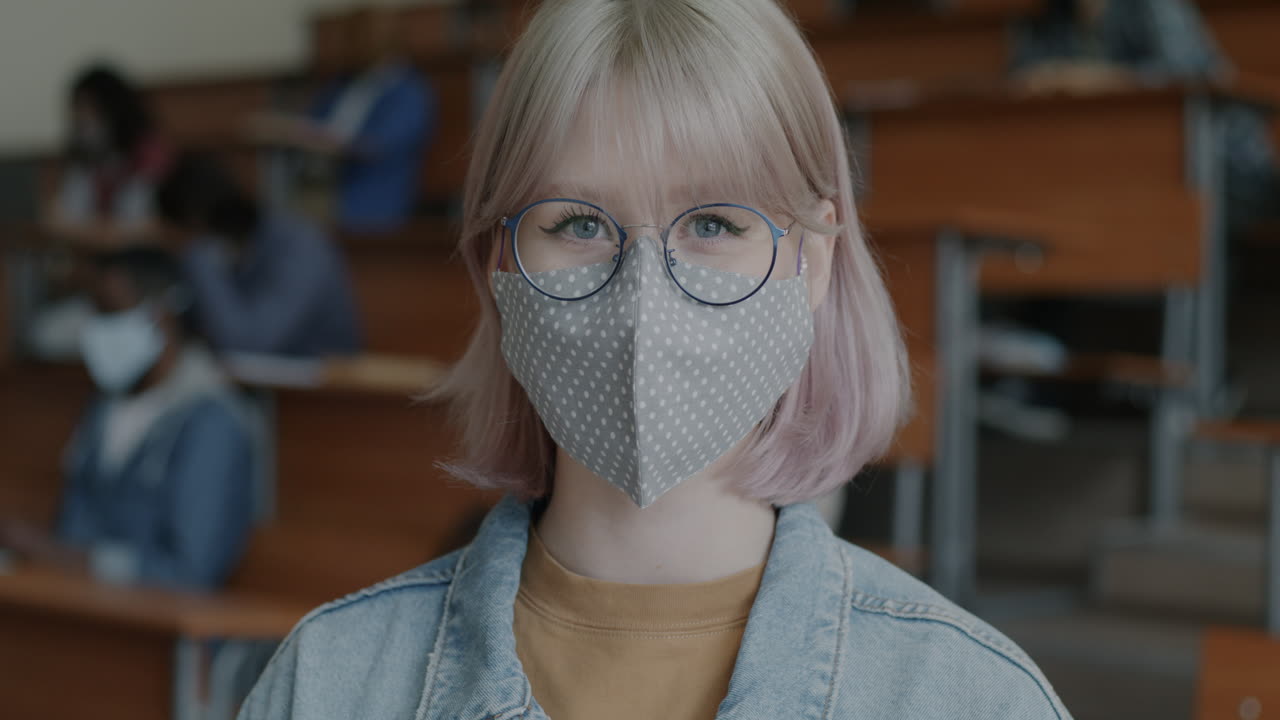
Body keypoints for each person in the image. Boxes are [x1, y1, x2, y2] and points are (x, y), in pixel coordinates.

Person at [239, 1, 1072, 718]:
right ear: (500, 266)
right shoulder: (327, 684)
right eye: (578, 223)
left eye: (714, 224)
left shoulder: (972, 698)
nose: (644, 298)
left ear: (812, 261)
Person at [0, 248, 257, 591]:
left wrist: (62, 556)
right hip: (78, 608)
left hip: (155, 631)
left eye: (109, 311)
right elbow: (73, 527)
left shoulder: (212, 423)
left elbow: (191, 573)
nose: (94, 329)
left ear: (160, 315)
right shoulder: (103, 407)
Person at [157, 151, 363, 357]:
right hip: (256, 382)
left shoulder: (301, 246)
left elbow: (249, 346)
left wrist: (197, 257)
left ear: (195, 221)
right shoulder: (231, 251)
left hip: (324, 384)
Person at [28, 63, 172, 360]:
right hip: (97, 290)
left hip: (149, 290)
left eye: (89, 109)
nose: (82, 120)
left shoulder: (150, 155)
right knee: (45, 334)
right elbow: (59, 220)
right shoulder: (85, 162)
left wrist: (78, 231)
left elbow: (131, 233)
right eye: (77, 110)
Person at [247, 6, 434, 232]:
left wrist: (302, 135)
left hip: (367, 197)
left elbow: (373, 146)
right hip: (317, 185)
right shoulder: (342, 84)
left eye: (363, 35)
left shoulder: (409, 92)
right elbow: (311, 121)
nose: (354, 43)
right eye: (351, 35)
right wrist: (280, 127)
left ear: (390, 37)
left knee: (286, 228)